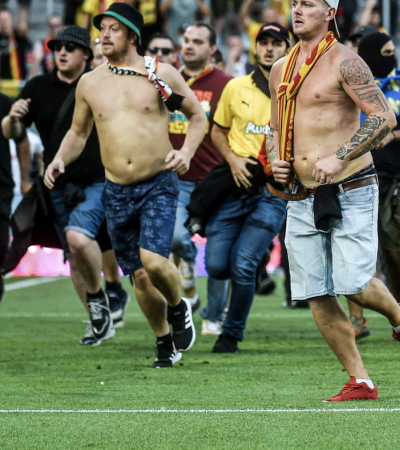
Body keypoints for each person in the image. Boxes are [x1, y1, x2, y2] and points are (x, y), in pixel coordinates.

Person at [264, 0, 400, 401]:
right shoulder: (279, 67)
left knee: (353, 284)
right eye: (294, 3)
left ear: (330, 12)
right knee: (314, 291)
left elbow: (383, 118)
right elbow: (273, 126)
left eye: (308, 3)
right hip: (301, 193)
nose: (297, 9)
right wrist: (274, 158)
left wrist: (339, 155)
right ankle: (361, 379)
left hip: (351, 187)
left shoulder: (345, 61)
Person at [44, 3, 206, 367]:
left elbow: (197, 116)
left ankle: (179, 309)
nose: (103, 35)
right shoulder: (90, 82)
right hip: (115, 190)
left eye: (113, 29)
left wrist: (187, 153)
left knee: (152, 260)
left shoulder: (159, 73)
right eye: (101, 28)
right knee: (138, 278)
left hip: (158, 183)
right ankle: (164, 341)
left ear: (132, 35)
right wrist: (58, 159)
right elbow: (78, 132)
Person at [2, 25, 131, 345]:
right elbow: (11, 134)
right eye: (57, 47)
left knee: (95, 241)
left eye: (69, 48)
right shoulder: (37, 86)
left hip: (101, 180)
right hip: (58, 184)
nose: (61, 52)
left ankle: (111, 290)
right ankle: (98, 316)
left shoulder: (101, 83)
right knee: (75, 252)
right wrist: (13, 119)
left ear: (87, 55)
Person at [201, 22, 289, 351]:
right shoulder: (235, 87)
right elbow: (217, 132)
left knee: (241, 263)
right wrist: (233, 160)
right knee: (217, 265)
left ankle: (231, 334)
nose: (269, 49)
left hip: (271, 193)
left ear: (287, 49)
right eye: (263, 43)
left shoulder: (295, 91)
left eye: (276, 43)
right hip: (232, 185)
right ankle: (258, 253)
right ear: (256, 49)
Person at [356, 31, 400, 332]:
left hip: (398, 174)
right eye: (383, 53)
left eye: (392, 51)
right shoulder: (352, 85)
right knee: (371, 249)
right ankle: (381, 315)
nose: (391, 58)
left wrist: (392, 135)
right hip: (358, 176)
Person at [167, 22, 232, 336]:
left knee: (219, 252)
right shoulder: (167, 79)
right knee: (176, 239)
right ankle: (188, 269)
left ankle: (213, 317)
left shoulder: (227, 84)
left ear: (212, 49)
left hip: (215, 180)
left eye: (197, 41)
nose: (189, 46)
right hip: (176, 178)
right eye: (186, 40)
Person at [0, 92, 22, 301]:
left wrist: (26, 179)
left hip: (1, 188)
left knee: (1, 247)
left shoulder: (5, 102)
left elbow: (20, 138)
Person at [0, 7, 32, 83]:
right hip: (4, 84)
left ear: (12, 19)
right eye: (1, 20)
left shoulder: (19, 37)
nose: (4, 23)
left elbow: (30, 53)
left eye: (6, 19)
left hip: (21, 82)